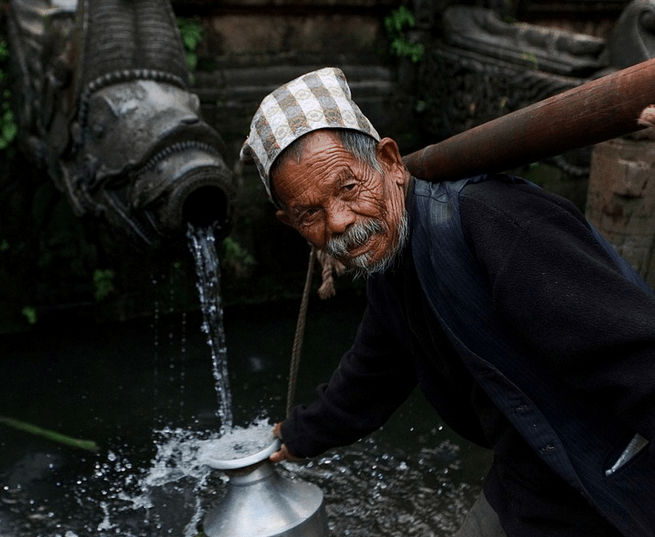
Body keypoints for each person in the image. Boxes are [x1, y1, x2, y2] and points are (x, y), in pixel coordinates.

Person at [239, 67, 655, 537]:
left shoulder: (495, 224)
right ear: (289, 223)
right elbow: (372, 375)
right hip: (531, 477)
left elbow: (639, 359)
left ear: (391, 162)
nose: (336, 221)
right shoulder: (390, 268)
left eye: (349, 188)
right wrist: (295, 437)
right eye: (309, 213)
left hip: (614, 476)